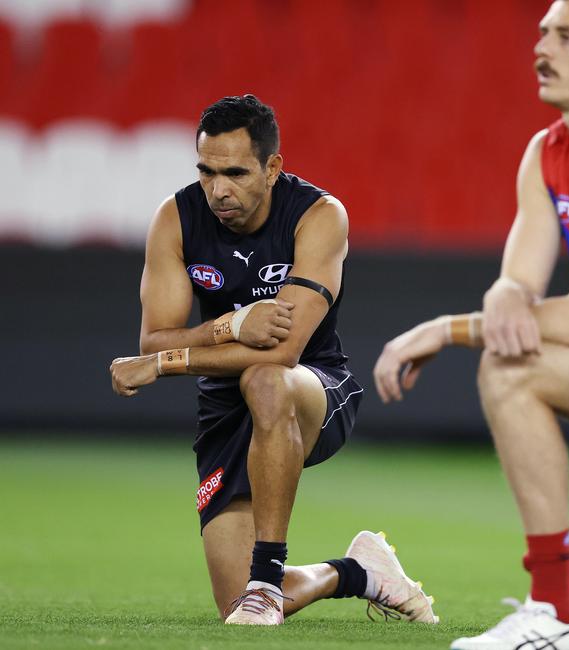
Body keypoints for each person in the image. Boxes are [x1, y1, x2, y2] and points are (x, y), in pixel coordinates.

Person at [374, 1, 569, 648]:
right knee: (509, 364)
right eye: (542, 31)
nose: (542, 46)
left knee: (509, 365)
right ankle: (555, 611)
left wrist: (446, 328)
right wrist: (505, 294)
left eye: (565, 35)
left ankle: (555, 617)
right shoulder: (545, 155)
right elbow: (519, 286)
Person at [109, 95, 437, 626]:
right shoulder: (176, 217)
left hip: (315, 386)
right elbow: (153, 339)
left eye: (235, 172)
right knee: (232, 607)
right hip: (224, 401)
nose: (218, 190)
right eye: (207, 171)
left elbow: (281, 351)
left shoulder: (318, 215)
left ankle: (267, 578)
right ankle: (359, 572)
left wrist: (169, 363)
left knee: (266, 377)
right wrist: (229, 325)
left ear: (272, 167)